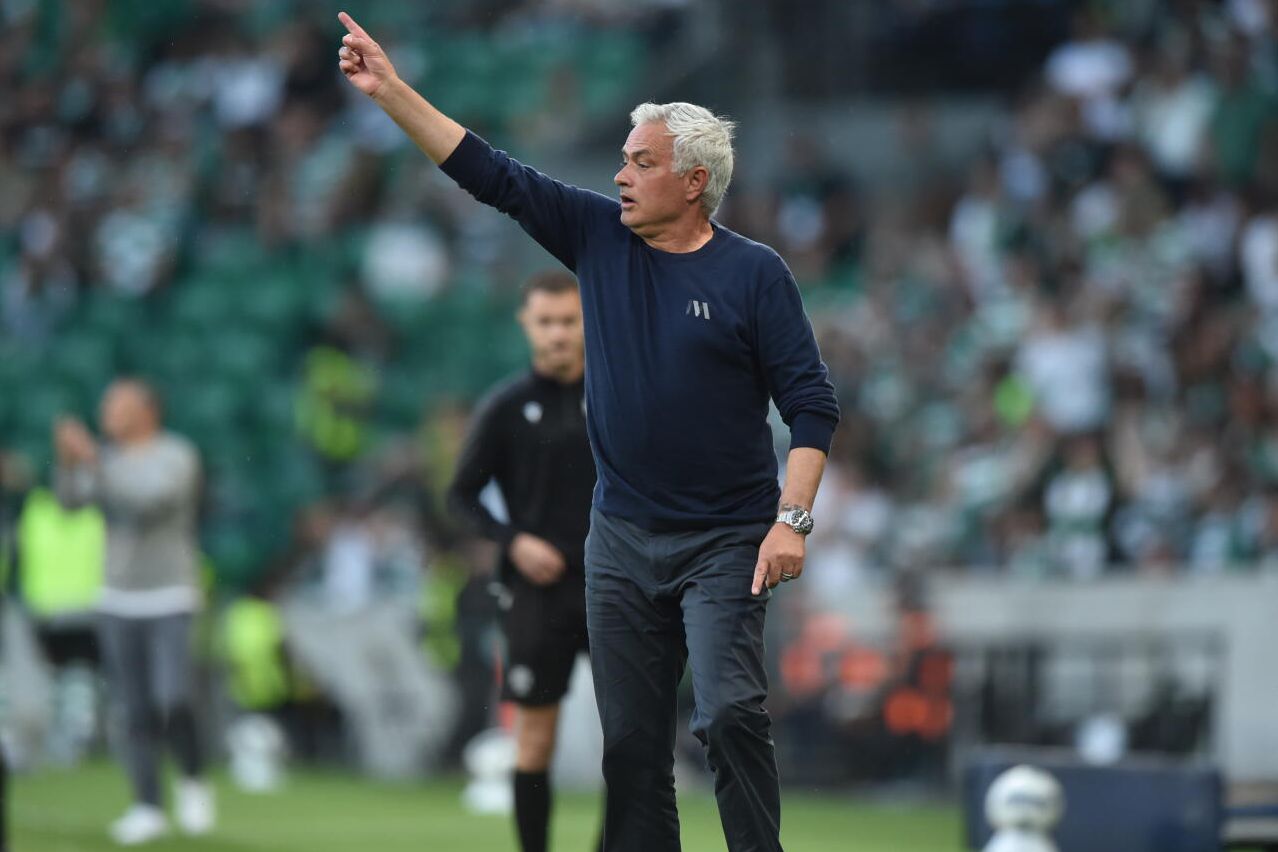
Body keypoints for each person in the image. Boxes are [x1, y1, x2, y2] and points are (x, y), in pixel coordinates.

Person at [337, 13, 840, 851]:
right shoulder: (597, 237)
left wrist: (792, 520)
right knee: (631, 749)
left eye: (641, 163)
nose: (620, 177)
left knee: (728, 714)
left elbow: (812, 404)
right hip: (622, 536)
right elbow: (487, 173)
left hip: (727, 538)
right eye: (621, 160)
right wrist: (390, 92)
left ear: (694, 180)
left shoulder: (755, 274)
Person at [446, 270, 598, 852]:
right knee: (534, 739)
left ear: (587, 322)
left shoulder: (617, 395)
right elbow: (460, 495)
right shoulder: (507, 406)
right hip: (537, 593)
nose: (558, 334)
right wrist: (513, 540)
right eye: (547, 321)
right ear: (526, 324)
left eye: (569, 321)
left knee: (633, 740)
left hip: (616, 586)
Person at [54, 380, 214, 845]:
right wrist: (68, 462)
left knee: (174, 698)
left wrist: (91, 460)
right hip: (117, 594)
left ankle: (192, 775)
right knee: (133, 708)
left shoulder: (175, 455)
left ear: (145, 411)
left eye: (116, 404)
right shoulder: (106, 458)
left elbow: (148, 502)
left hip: (169, 594)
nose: (106, 412)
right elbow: (69, 504)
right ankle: (147, 805)